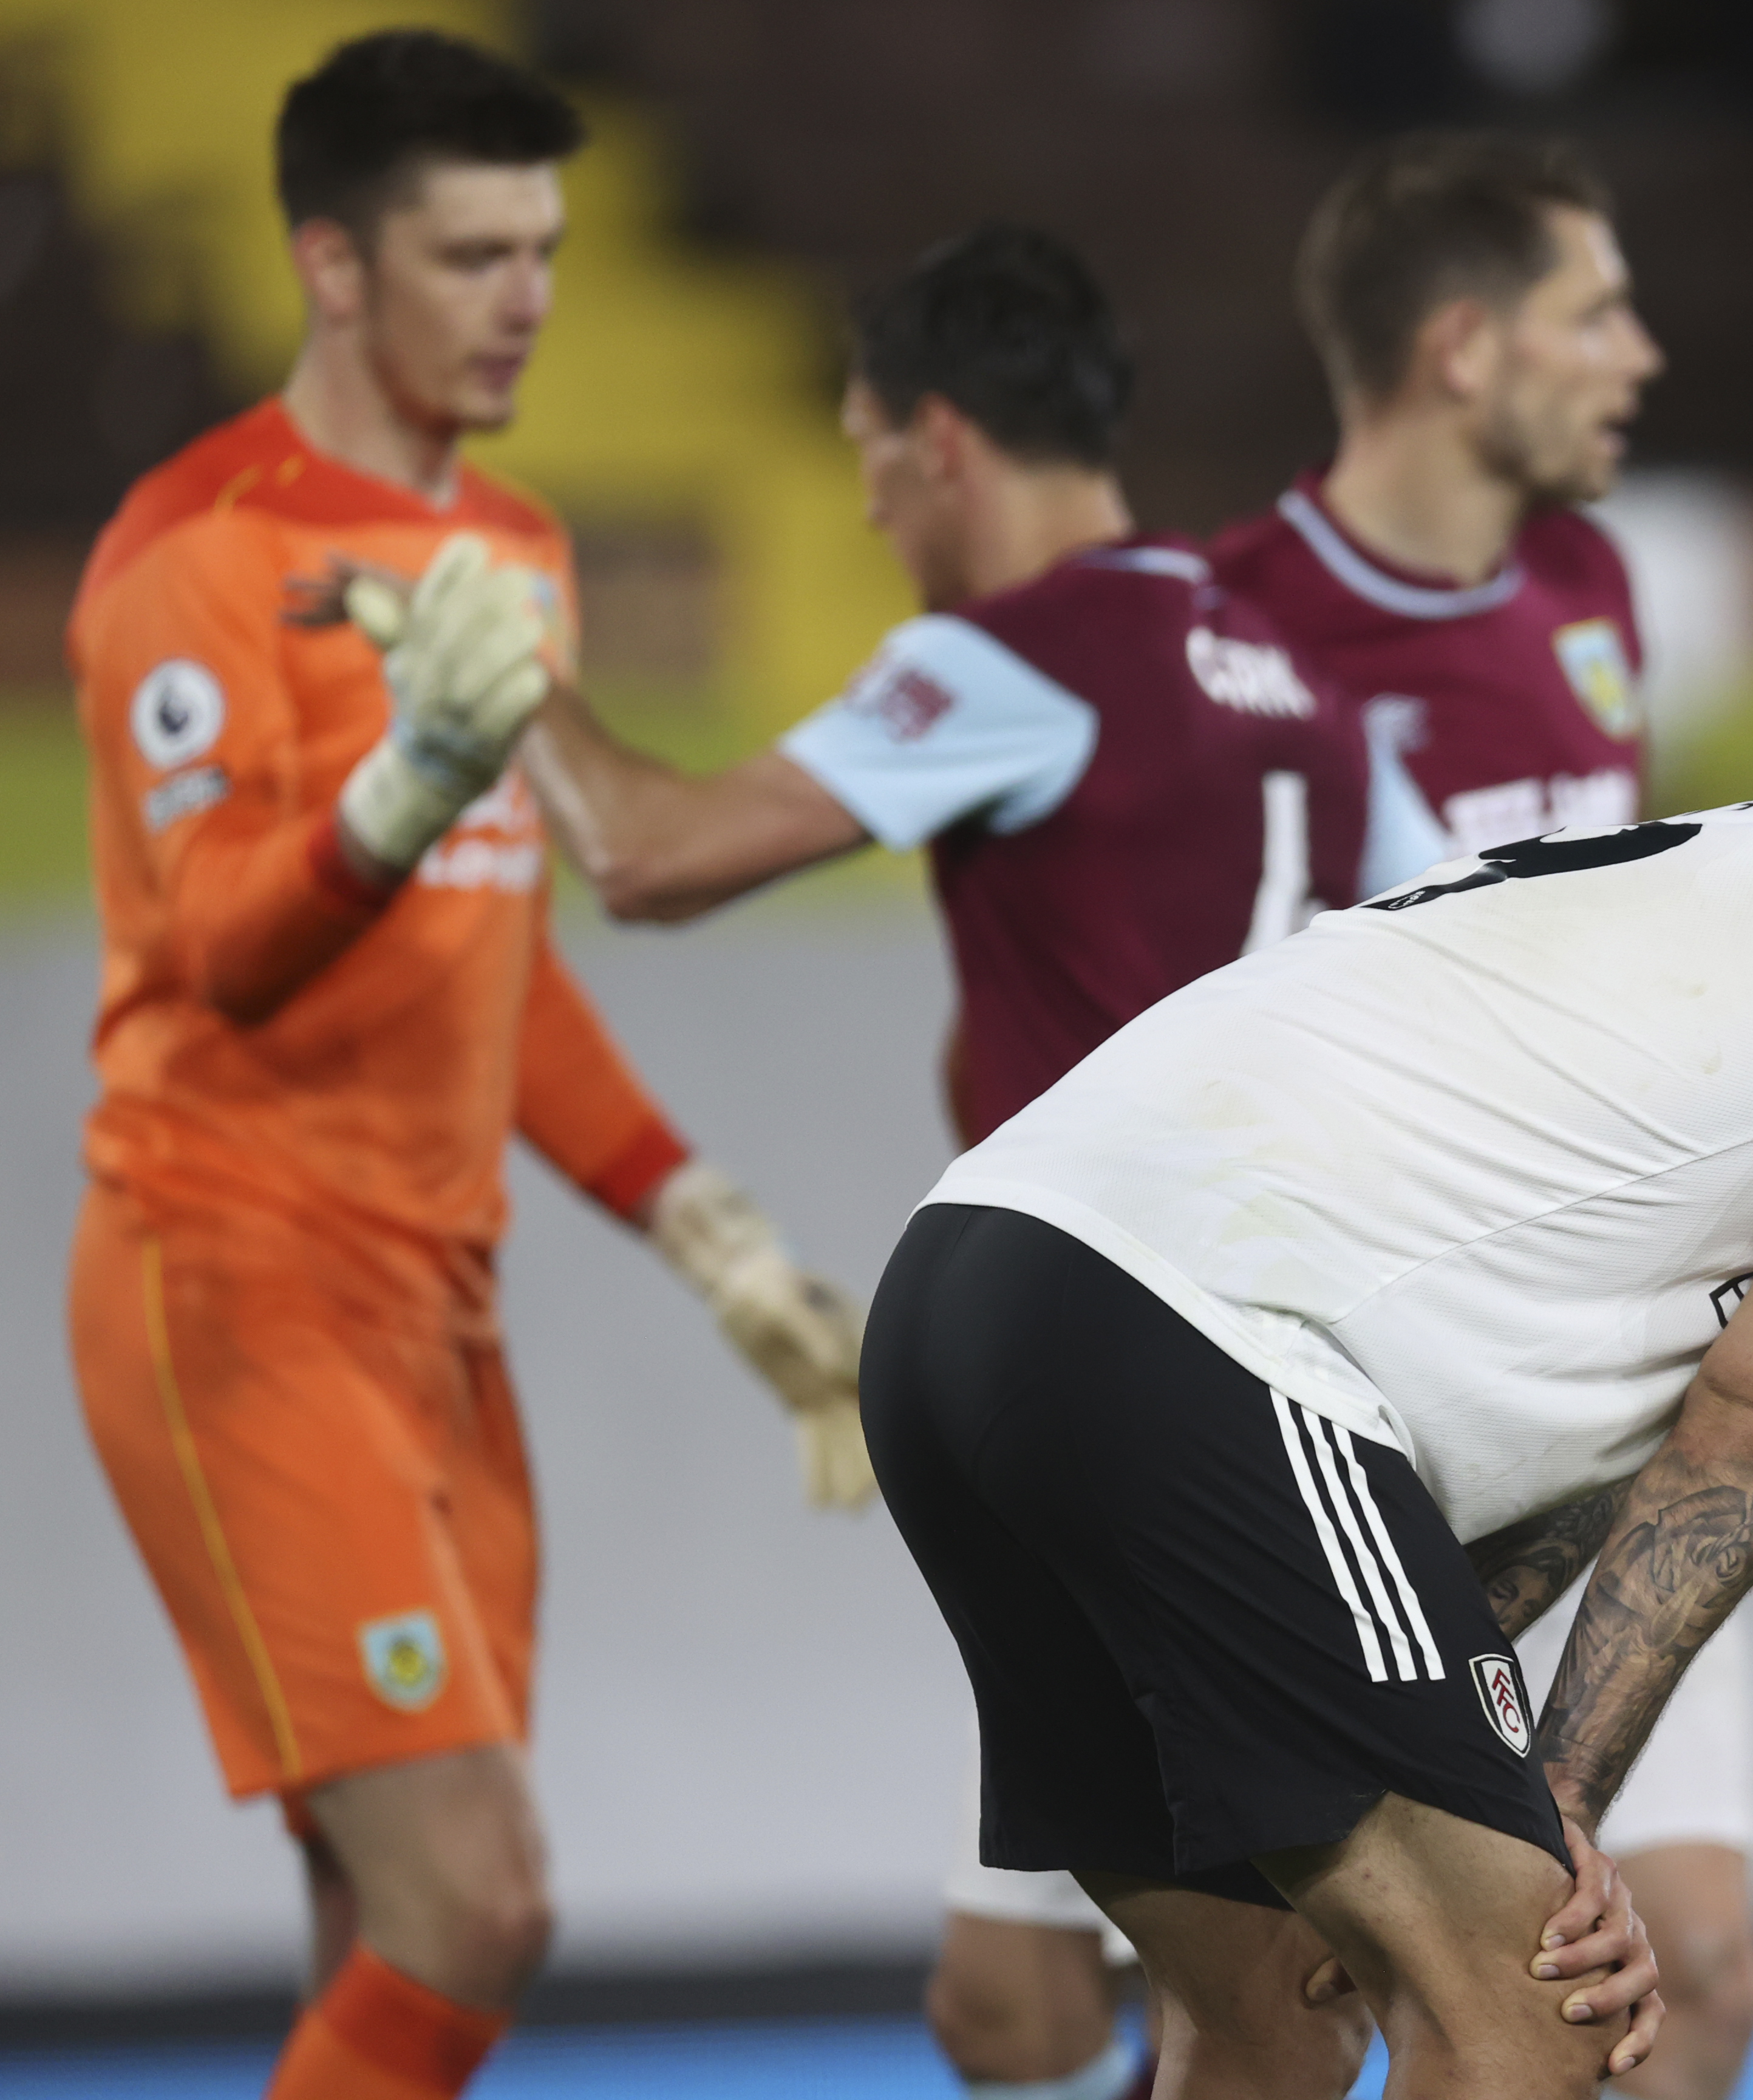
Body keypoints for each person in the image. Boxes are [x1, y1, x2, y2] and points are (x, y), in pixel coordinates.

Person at [863, 663, 1753, 2100]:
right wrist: (1556, 1801)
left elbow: (1622, 1440)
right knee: (1540, 2006)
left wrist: (1482, 1770)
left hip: (961, 1291)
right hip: (1192, 1332)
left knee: (1271, 2017)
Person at [520, 223, 1441, 2100]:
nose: (868, 507)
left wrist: (509, 691)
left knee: (1257, 2011)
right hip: (1271, 1361)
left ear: (939, 438)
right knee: (1022, 2003)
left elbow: (648, 855)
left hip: (1157, 1399)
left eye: (867, 457)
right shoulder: (1294, 674)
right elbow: (1446, 957)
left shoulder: (1014, 662)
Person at [64, 34, 862, 2100]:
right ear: (332, 265)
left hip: (439, 1310)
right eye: (471, 254)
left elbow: (487, 959)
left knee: (384, 1915)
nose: (527, 299)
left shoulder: (512, 546)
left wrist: (707, 1230)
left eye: (546, 251)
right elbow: (224, 946)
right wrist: (410, 779)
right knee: (480, 1900)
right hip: (236, 1285)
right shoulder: (194, 548)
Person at [1210, 132, 1753, 2100]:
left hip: (1602, 1375)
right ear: (1463, 348)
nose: (1639, 353)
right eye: (1593, 312)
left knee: (1691, 1974)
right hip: (1362, 1417)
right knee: (1292, 2005)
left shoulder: (1587, 581)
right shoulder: (1230, 632)